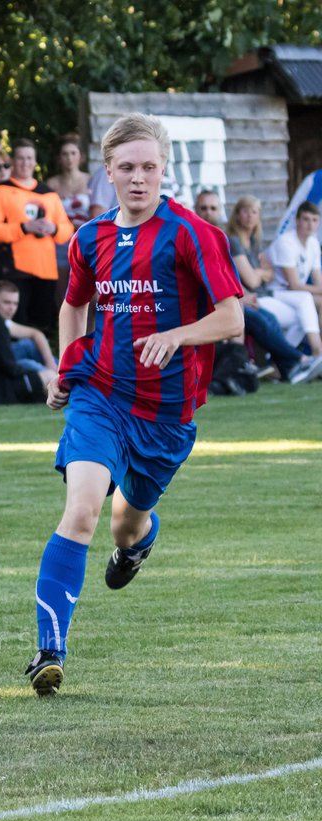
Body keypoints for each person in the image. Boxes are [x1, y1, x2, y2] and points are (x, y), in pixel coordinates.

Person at [26, 113, 244, 697]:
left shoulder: (193, 233)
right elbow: (74, 305)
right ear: (109, 171)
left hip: (167, 416)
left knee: (126, 523)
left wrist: (177, 335)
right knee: (82, 512)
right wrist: (66, 365)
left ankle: (138, 544)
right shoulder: (90, 237)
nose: (139, 178)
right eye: (127, 168)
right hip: (101, 396)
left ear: (163, 169)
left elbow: (231, 317)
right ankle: (51, 649)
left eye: (150, 167)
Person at [224, 196, 322, 384]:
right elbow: (254, 280)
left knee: (299, 318)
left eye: (254, 212)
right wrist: (261, 273)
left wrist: (259, 273)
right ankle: (305, 358)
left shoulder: (253, 242)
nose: (250, 217)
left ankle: (284, 365)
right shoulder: (234, 241)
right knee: (300, 302)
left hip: (258, 296)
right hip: (256, 297)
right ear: (236, 215)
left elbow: (262, 273)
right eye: (245, 211)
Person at [0, 138, 74, 331]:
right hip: (14, 270)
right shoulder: (1, 191)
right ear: (13, 161)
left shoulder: (48, 194)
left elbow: (67, 230)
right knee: (16, 326)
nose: (25, 163)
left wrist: (53, 229)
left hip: (46, 270)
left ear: (35, 161)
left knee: (42, 326)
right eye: (20, 158)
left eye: (29, 158)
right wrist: (24, 228)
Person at [268, 201, 322, 322]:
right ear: (297, 220)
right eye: (306, 219)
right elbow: (294, 285)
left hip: (297, 293)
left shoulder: (313, 243)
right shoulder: (286, 242)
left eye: (314, 220)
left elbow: (318, 280)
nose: (310, 224)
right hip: (278, 291)